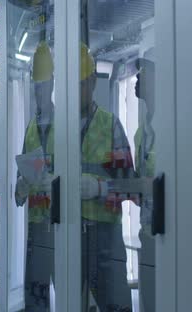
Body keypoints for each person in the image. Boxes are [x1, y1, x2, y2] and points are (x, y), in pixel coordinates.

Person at [78, 42, 135, 311]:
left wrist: (100, 188)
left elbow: (131, 187)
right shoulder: (59, 131)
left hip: (105, 239)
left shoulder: (110, 125)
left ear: (92, 82)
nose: (76, 91)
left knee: (115, 306)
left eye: (81, 83)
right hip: (69, 235)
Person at [14, 41, 56, 311]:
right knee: (36, 293)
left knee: (70, 290)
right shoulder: (30, 127)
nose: (38, 90)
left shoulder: (67, 124)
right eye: (35, 85)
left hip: (64, 225)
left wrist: (57, 184)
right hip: (37, 227)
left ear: (52, 84)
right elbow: (22, 176)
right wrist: (19, 188)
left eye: (43, 84)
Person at [134, 49, 156, 312]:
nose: (137, 78)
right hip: (146, 236)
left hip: (170, 238)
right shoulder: (141, 133)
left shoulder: (174, 126)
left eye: (144, 71)